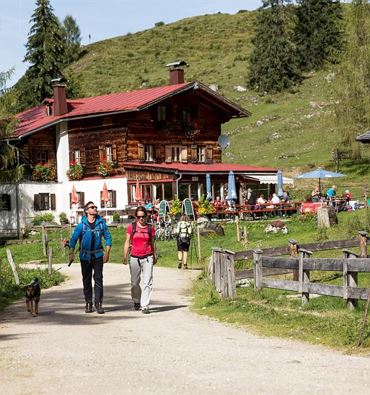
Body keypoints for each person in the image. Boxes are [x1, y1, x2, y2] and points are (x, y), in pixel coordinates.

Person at [69, 201, 112, 314]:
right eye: (92, 207)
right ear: (86, 211)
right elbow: (73, 239)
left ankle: (98, 303)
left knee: (98, 279)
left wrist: (107, 253)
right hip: (85, 256)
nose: (95, 209)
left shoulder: (101, 223)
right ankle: (88, 303)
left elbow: (108, 237)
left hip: (98, 255)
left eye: (95, 207)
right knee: (86, 280)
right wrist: (71, 253)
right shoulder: (81, 225)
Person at [123, 206, 156, 314]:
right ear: (136, 217)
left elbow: (152, 242)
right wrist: (125, 256)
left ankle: (145, 305)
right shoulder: (131, 227)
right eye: (139, 217)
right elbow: (127, 241)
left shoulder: (150, 228)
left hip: (147, 257)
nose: (141, 219)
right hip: (134, 257)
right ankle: (136, 300)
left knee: (148, 282)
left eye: (143, 216)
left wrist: (154, 256)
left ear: (146, 216)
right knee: (134, 283)